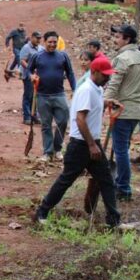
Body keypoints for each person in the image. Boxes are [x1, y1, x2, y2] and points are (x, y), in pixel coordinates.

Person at [34, 58, 122, 229]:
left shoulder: (97, 89)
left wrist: (106, 103)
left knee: (106, 180)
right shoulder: (86, 90)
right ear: (94, 72)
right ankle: (41, 212)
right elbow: (80, 119)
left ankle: (114, 220)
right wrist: (91, 145)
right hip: (81, 145)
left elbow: (91, 109)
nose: (108, 78)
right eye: (105, 75)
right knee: (66, 180)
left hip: (91, 142)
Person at [104, 24, 140, 201]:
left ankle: (123, 188)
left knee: (121, 150)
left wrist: (104, 101)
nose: (115, 39)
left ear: (127, 39)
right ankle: (121, 184)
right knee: (121, 147)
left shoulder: (122, 59)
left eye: (118, 37)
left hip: (122, 110)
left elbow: (114, 84)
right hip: (136, 110)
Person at [28, 31, 77, 162]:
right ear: (44, 42)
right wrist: (31, 76)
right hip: (42, 95)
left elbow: (70, 73)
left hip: (59, 94)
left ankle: (57, 148)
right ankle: (47, 152)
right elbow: (28, 69)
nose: (52, 44)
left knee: (62, 121)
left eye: (55, 42)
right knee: (46, 125)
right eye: (50, 42)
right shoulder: (37, 56)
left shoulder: (63, 56)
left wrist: (75, 89)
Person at [18, 31, 43, 125]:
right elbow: (22, 61)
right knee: (28, 96)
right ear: (32, 37)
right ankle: (27, 117)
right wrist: (30, 68)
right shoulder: (26, 48)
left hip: (38, 76)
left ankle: (34, 115)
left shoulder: (41, 48)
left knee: (35, 96)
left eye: (40, 38)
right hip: (28, 76)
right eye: (37, 38)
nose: (38, 40)